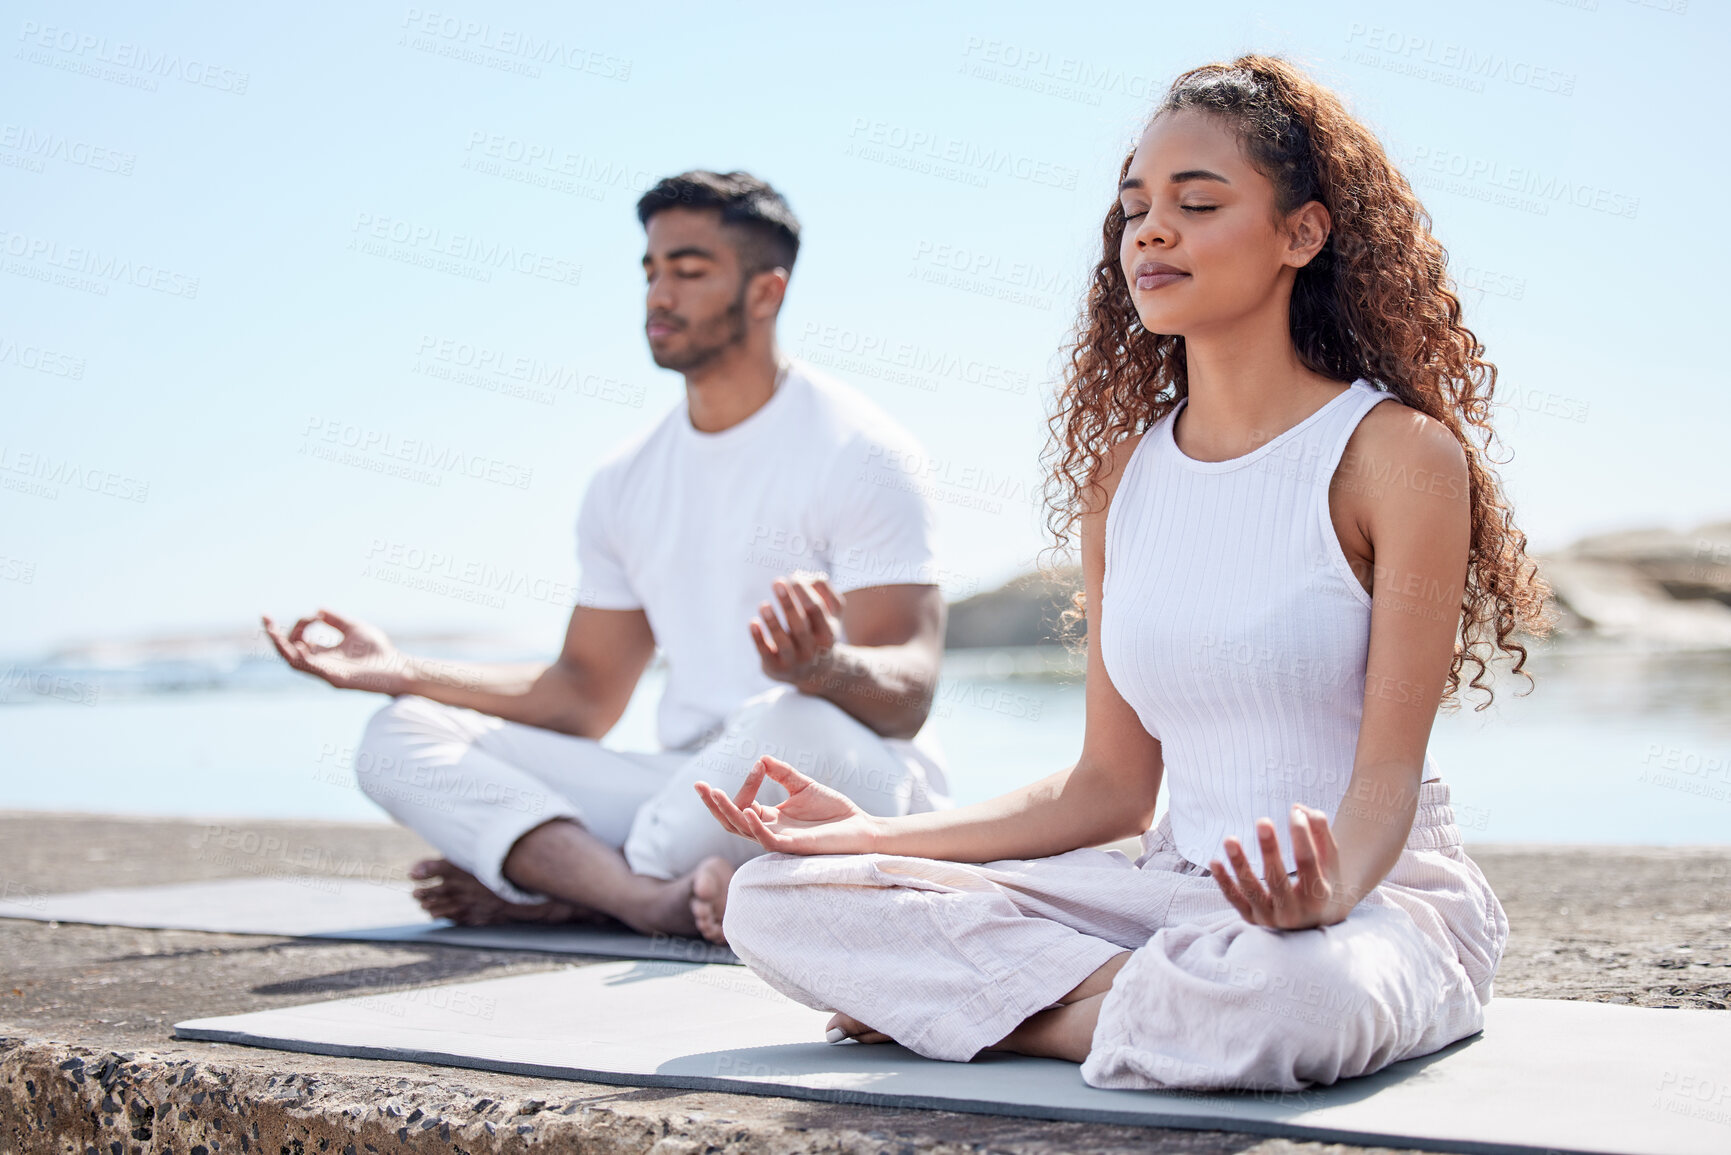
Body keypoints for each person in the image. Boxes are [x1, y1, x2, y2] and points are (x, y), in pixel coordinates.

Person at [696, 56, 1552, 1091]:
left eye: (1197, 203)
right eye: (1134, 206)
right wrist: (872, 833)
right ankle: (1145, 1006)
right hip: (1170, 896)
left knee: (1293, 998)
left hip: (1366, 902)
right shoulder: (1124, 477)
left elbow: (1384, 783)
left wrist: (1324, 892)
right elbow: (1109, 787)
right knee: (777, 896)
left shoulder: (1397, 456)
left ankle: (1024, 1015)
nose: (1148, 232)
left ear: (1302, 233)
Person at [264, 171, 953, 947]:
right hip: (685, 786)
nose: (660, 294)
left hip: (844, 779)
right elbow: (583, 695)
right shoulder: (625, 479)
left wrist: (820, 668)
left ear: (765, 293)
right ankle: (643, 898)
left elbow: (910, 693)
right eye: (651, 271)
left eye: (689, 272)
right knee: (398, 736)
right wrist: (401, 670)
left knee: (782, 720)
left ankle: (578, 887)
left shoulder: (862, 451)